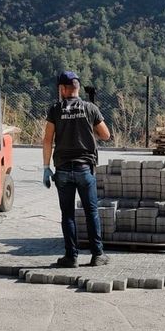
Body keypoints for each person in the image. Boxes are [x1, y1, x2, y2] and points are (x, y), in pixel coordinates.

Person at [43, 71, 111, 268]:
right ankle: (97, 255)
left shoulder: (55, 109)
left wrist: (46, 167)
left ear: (62, 89)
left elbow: (47, 140)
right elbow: (106, 135)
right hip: (84, 168)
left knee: (68, 214)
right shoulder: (90, 108)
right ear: (78, 88)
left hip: (63, 169)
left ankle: (71, 257)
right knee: (91, 212)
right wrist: (89, 133)